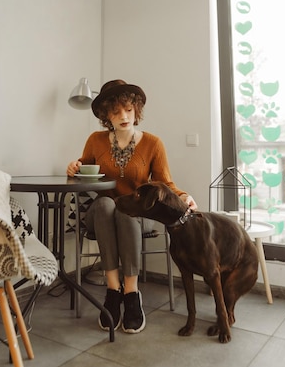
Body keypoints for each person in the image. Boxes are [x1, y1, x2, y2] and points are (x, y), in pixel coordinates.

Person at [67, 79, 197, 334]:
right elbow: (83, 171)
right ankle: (112, 291)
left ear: (136, 110)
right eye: (115, 112)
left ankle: (130, 292)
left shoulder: (153, 144)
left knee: (126, 210)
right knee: (106, 204)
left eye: (128, 109)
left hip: (138, 214)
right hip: (101, 214)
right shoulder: (96, 140)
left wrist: (184, 196)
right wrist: (73, 167)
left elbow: (164, 182)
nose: (123, 116)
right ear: (106, 116)